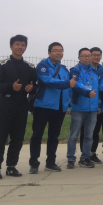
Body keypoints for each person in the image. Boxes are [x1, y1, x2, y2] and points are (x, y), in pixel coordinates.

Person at [0, 35, 37, 180]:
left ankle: (11, 166)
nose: (20, 47)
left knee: (18, 138)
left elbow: (35, 85)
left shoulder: (30, 67)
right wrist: (11, 87)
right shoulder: (1, 64)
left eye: (23, 45)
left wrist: (31, 89)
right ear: (11, 46)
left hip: (22, 104)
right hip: (6, 103)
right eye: (17, 44)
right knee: (0, 137)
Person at [29, 42, 74, 175]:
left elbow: (70, 88)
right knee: (37, 135)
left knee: (54, 136)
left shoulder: (64, 69)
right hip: (43, 106)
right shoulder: (43, 66)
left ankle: (50, 162)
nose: (59, 53)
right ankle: (34, 162)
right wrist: (67, 83)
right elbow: (48, 81)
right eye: (55, 50)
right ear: (49, 53)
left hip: (59, 108)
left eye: (61, 50)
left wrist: (68, 103)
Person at [67, 48, 99, 169]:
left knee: (89, 136)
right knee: (73, 135)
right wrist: (87, 93)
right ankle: (71, 159)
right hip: (78, 108)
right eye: (84, 56)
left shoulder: (95, 71)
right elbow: (77, 85)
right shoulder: (75, 70)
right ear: (79, 57)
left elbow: (98, 89)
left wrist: (98, 104)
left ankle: (85, 158)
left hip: (92, 109)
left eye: (89, 55)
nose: (87, 58)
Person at [79, 47, 103, 164]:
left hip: (98, 104)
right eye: (93, 54)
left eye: (98, 55)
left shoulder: (102, 70)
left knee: (96, 130)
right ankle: (84, 154)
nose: (96, 57)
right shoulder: (82, 69)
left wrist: (99, 104)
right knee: (85, 131)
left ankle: (93, 153)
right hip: (85, 104)